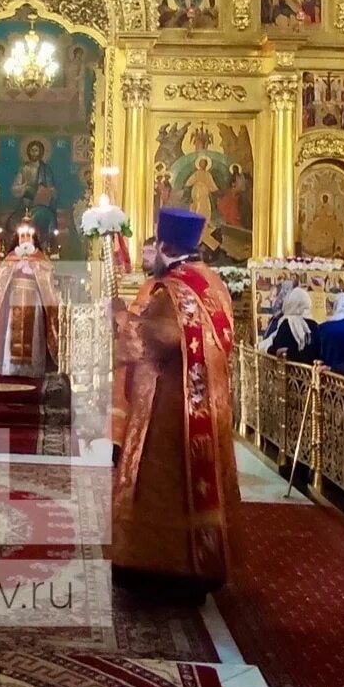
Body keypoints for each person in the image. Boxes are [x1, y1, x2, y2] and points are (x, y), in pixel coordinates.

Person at [111, 208, 240, 601]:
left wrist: (119, 316)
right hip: (207, 400)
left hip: (171, 406)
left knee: (163, 485)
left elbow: (154, 341)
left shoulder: (174, 289)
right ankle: (202, 564)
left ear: (166, 247)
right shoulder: (212, 283)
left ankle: (161, 571)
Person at [0, 221, 60, 376]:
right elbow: (2, 280)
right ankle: (13, 369)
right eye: (22, 236)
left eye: (28, 236)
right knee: (12, 333)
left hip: (33, 301)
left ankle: (32, 370)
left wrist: (35, 267)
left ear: (33, 238)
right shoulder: (11, 258)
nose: (25, 239)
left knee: (34, 334)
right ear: (18, 238)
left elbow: (47, 281)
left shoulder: (40, 259)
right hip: (14, 301)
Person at [262, 285, 321, 366]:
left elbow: (277, 348)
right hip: (310, 373)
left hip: (289, 372)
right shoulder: (314, 325)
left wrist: (269, 349)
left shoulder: (287, 323)